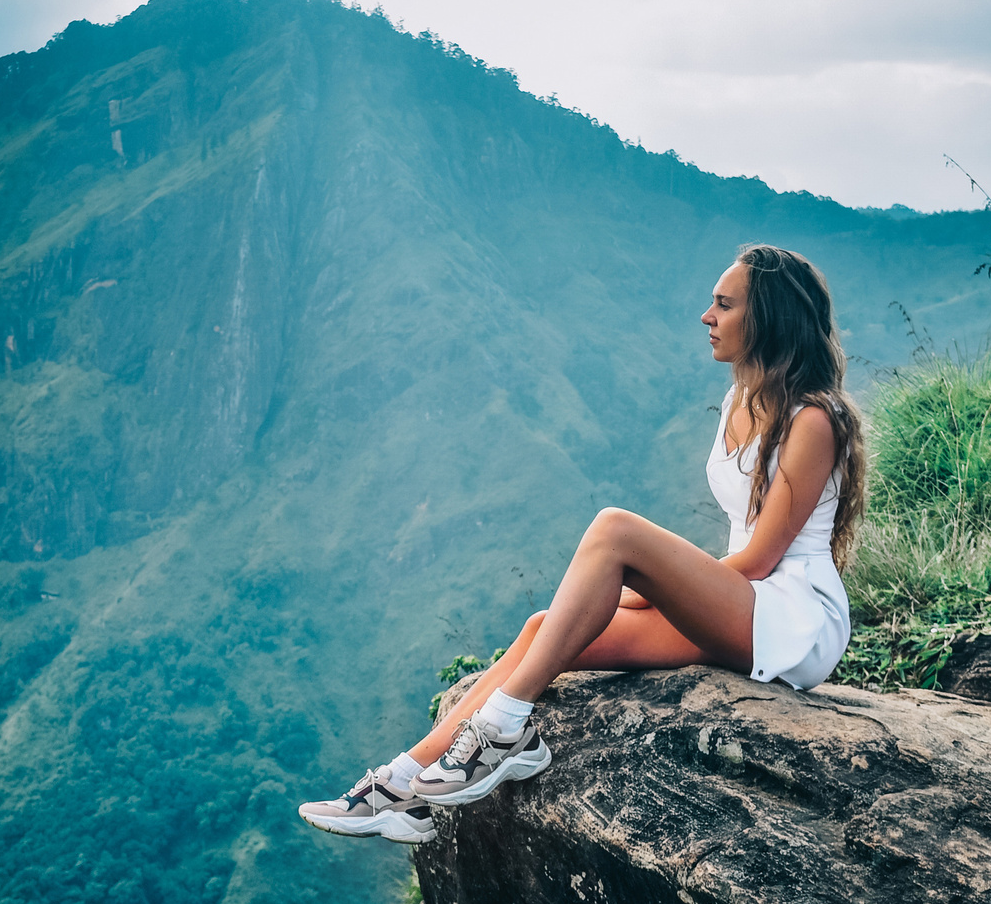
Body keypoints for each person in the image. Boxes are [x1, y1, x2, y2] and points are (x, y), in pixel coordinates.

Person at [298, 243, 869, 842]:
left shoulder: (813, 420)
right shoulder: (741, 399)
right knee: (545, 628)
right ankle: (400, 788)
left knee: (614, 529)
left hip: (789, 618)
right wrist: (633, 598)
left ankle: (505, 730)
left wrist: (640, 596)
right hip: (742, 603)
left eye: (724, 306)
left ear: (768, 319)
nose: (707, 317)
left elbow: (758, 559)